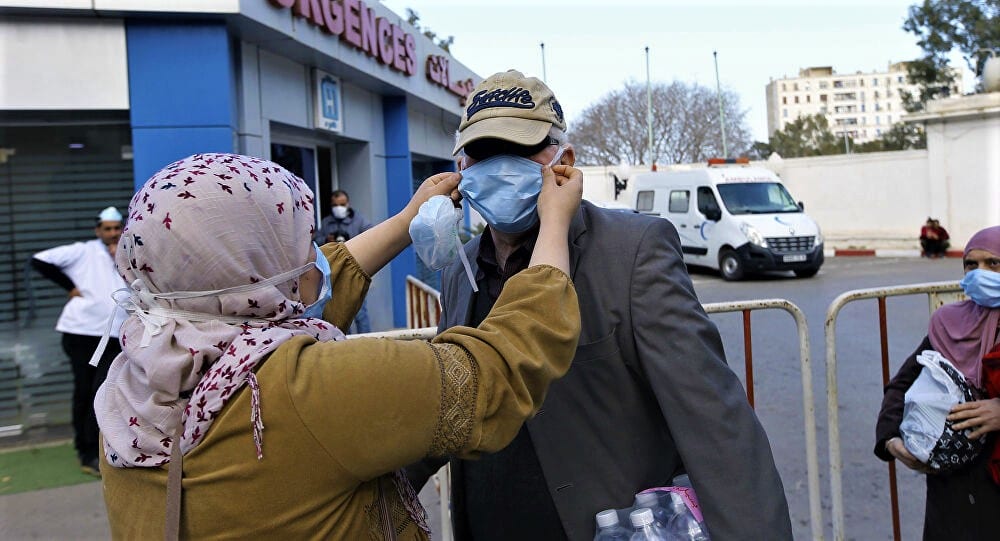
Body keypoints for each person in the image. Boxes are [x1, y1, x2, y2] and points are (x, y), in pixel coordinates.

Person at [93, 152, 583, 539]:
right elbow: (495, 374)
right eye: (299, 239)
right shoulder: (308, 389)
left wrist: (407, 220)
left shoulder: (139, 373)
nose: (312, 256)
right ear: (253, 266)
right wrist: (554, 227)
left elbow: (304, 293)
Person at [406, 70, 792, 541]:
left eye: (519, 150)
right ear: (460, 168)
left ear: (563, 159)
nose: (499, 167)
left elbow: (716, 424)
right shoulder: (458, 270)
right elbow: (455, 402)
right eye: (483, 154)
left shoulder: (632, 252)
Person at [876, 225, 1000, 540]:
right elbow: (901, 385)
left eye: (993, 264)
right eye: (971, 265)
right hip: (954, 491)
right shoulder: (950, 324)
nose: (980, 273)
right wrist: (891, 440)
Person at [31, 206, 128, 476]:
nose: (112, 234)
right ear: (98, 231)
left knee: (108, 392)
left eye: (116, 228)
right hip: (82, 334)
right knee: (86, 390)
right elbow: (39, 260)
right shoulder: (83, 250)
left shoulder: (127, 252)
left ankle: (105, 445)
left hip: (115, 335)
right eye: (107, 229)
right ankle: (86, 452)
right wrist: (70, 287)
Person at [315, 189, 374, 332]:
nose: (338, 208)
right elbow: (316, 242)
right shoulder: (327, 222)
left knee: (360, 312)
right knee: (338, 311)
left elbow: (371, 235)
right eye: (335, 205)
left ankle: (365, 343)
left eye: (341, 204)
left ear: (348, 204)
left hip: (355, 269)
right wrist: (326, 240)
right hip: (333, 271)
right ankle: (343, 341)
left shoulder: (359, 221)